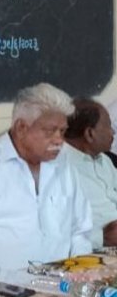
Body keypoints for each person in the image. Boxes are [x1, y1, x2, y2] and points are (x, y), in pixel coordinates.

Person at [0, 83, 92, 278]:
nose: (59, 140)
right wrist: (6, 282)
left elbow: (81, 231)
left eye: (62, 131)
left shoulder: (64, 164)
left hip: (64, 282)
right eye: (50, 131)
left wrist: (79, 272)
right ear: (21, 127)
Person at [63, 98, 117, 248]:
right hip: (93, 251)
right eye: (108, 126)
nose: (113, 132)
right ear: (89, 133)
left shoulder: (104, 160)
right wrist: (101, 237)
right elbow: (53, 229)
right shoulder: (59, 167)